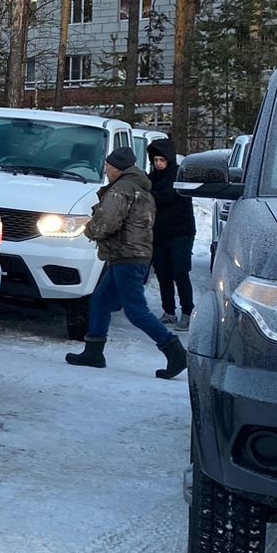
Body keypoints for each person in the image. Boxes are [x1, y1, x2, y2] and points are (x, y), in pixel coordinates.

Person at [65, 147, 188, 379]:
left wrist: (89, 229)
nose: (106, 169)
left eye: (108, 166)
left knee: (136, 311)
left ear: (118, 168)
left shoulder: (121, 189)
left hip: (127, 255)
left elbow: (107, 222)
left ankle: (175, 351)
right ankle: (94, 352)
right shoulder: (139, 187)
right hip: (131, 254)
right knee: (101, 301)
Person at [146, 137, 195, 330]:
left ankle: (188, 312)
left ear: (169, 159)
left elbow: (167, 196)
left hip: (180, 233)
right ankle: (169, 311)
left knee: (180, 273)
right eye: (155, 160)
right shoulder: (152, 178)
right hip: (159, 234)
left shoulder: (179, 176)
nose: (158, 164)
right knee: (163, 274)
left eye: (162, 160)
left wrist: (148, 194)